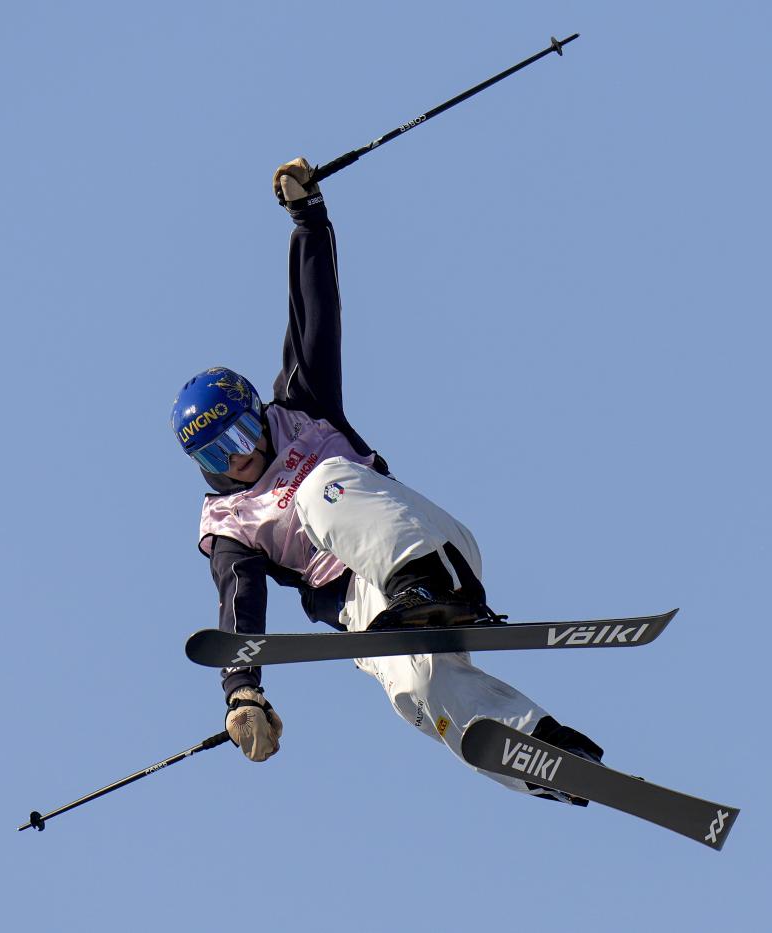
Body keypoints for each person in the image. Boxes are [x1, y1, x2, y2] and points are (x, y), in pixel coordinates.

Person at [169, 158, 603, 803]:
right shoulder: (230, 527)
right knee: (416, 689)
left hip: (424, 546)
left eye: (240, 435)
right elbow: (239, 606)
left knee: (318, 490)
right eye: (215, 453)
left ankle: (431, 585)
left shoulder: (302, 408)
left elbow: (315, 312)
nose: (237, 459)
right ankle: (540, 756)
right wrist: (244, 691)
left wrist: (307, 218)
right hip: (364, 607)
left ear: (259, 414)